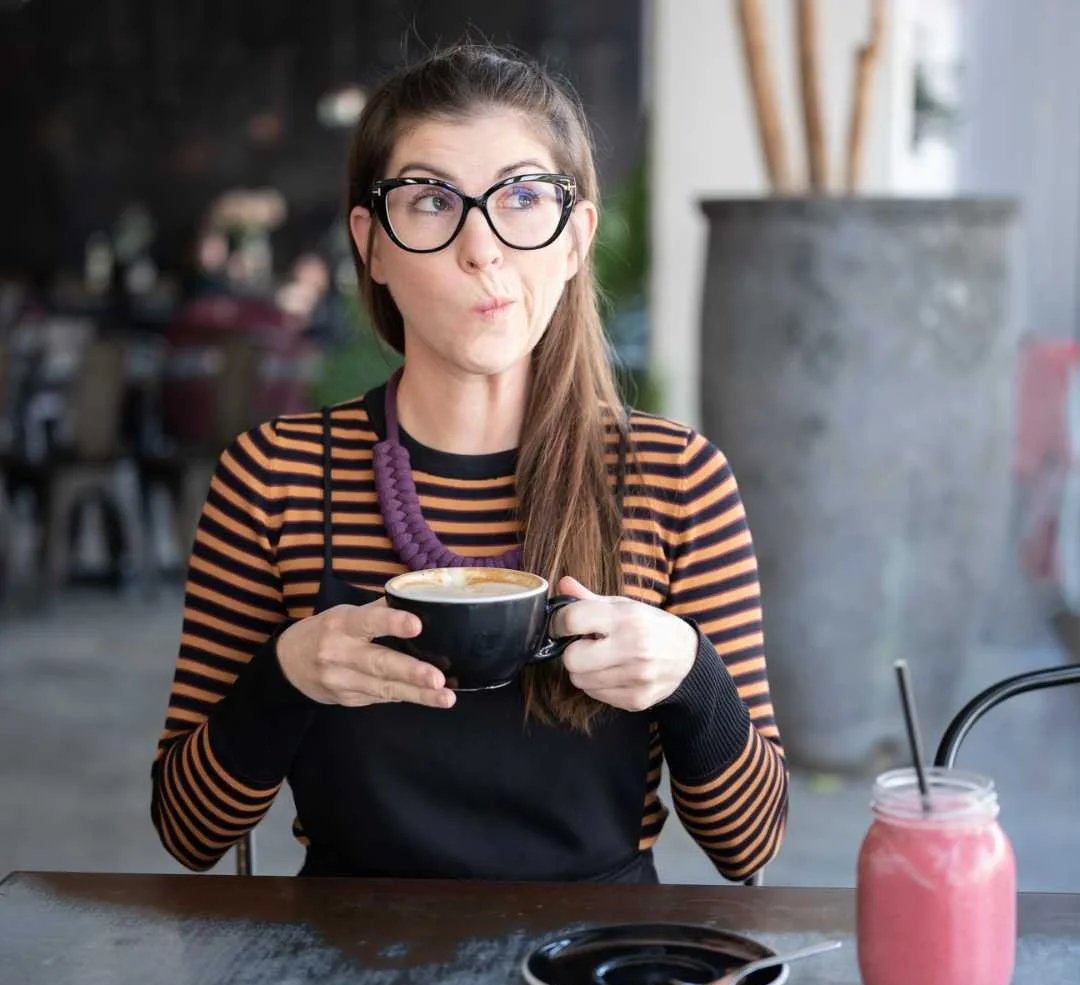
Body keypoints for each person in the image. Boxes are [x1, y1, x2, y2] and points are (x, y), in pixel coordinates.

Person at [151, 43, 788, 884]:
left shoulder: (674, 478)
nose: (482, 248)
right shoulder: (274, 477)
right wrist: (288, 674)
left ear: (575, 238)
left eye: (524, 197)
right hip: (340, 982)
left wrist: (690, 675)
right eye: (430, 200)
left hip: (596, 970)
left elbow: (751, 843)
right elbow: (189, 832)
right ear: (370, 245)